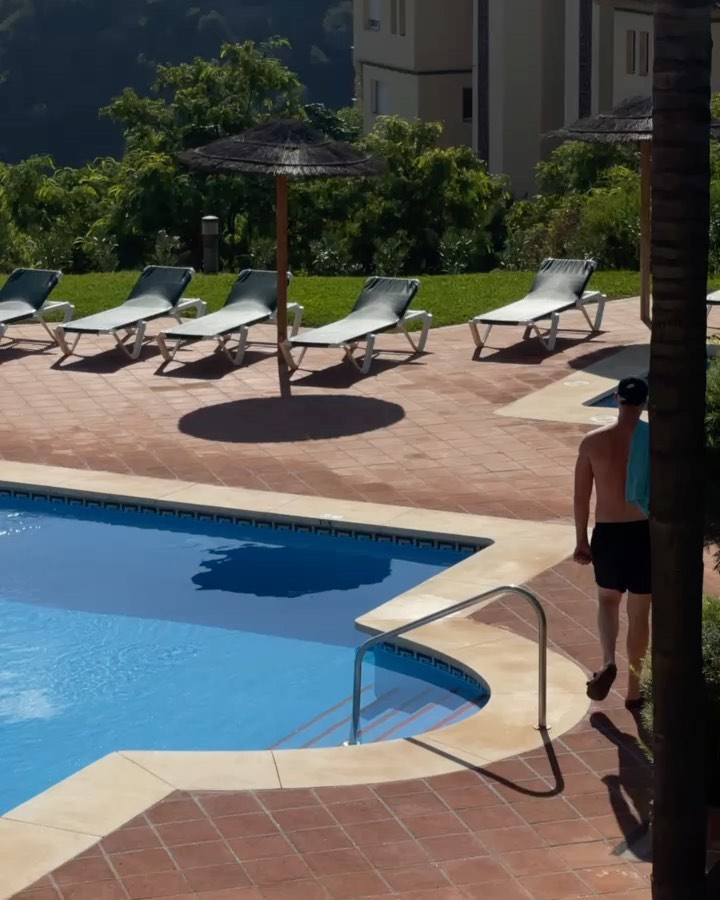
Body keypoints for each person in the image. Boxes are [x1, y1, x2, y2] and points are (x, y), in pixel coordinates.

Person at [573, 376, 651, 710]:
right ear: (644, 403)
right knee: (640, 613)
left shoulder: (593, 442)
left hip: (608, 532)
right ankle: (634, 690)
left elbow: (581, 496)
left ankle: (607, 662)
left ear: (617, 400)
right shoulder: (654, 439)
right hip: (645, 532)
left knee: (607, 601)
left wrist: (581, 539)